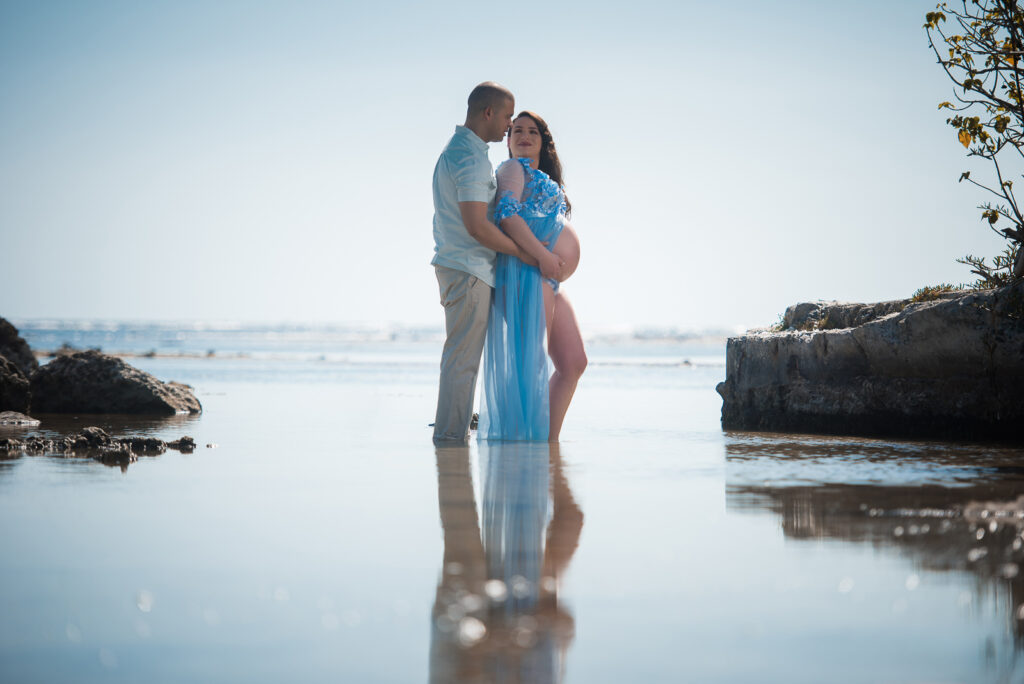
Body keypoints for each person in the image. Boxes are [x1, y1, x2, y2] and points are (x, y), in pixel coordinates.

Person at [431, 84, 564, 444]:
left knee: (463, 359)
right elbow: (477, 226)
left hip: (465, 267)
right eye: (508, 118)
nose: (509, 127)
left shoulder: (463, 152)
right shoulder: (471, 159)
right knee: (463, 362)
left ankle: (451, 436)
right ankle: (449, 441)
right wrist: (527, 254)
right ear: (488, 113)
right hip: (468, 269)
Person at [478, 111, 586, 442]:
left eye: (532, 131)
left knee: (573, 363)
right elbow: (507, 216)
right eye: (517, 131)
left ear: (543, 141)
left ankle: (545, 440)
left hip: (546, 278)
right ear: (508, 141)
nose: (524, 136)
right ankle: (524, 444)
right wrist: (543, 257)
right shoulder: (512, 168)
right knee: (531, 363)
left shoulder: (538, 175)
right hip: (527, 274)